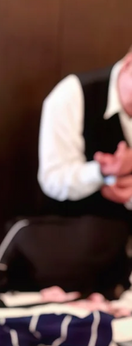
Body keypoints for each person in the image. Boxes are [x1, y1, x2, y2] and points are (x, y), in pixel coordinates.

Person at [38, 47, 132, 219]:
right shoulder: (70, 95)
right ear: (128, 64)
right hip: (73, 225)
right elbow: (53, 179)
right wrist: (103, 172)